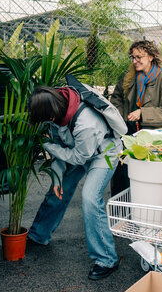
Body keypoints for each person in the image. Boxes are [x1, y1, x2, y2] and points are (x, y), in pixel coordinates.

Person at [27, 85, 122, 280]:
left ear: (51, 115)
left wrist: (48, 146)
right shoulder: (56, 108)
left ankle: (106, 259)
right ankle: (39, 235)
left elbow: (77, 157)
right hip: (78, 149)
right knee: (58, 188)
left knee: (90, 198)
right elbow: (60, 149)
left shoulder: (86, 122)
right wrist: (57, 177)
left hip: (103, 153)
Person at [109, 40, 162, 195]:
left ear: (151, 57)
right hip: (128, 134)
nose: (135, 61)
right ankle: (121, 213)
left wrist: (142, 113)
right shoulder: (129, 78)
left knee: (145, 178)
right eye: (133, 57)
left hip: (151, 139)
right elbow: (116, 99)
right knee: (122, 174)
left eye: (139, 57)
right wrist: (122, 118)